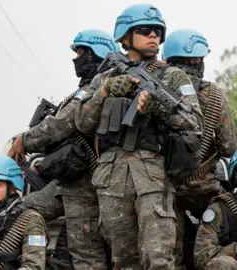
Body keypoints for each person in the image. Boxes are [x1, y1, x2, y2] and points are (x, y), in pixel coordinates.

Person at [74, 3, 203, 269]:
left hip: (153, 179)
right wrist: (106, 91)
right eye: (145, 30)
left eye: (157, 31)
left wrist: (160, 109)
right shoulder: (105, 77)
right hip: (112, 181)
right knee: (122, 261)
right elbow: (82, 122)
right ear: (125, 36)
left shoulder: (173, 76)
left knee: (158, 260)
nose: (153, 36)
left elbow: (194, 123)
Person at [7, 29, 120, 270]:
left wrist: (24, 141)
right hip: (70, 181)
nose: (76, 58)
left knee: (86, 258)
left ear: (97, 52)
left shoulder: (103, 83)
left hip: (86, 184)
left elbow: (61, 123)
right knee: (17, 212)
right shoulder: (94, 84)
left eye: (81, 52)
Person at [162, 28, 237, 269]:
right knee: (231, 228)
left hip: (161, 188)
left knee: (168, 257)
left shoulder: (154, 90)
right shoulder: (215, 95)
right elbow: (230, 147)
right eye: (197, 59)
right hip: (202, 188)